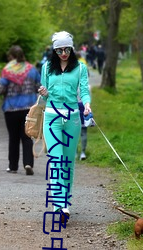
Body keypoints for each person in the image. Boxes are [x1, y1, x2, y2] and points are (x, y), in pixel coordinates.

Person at [38, 31, 91, 222]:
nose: (63, 53)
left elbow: (84, 90)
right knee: (57, 161)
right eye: (59, 50)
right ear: (54, 50)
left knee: (68, 163)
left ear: (72, 48)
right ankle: (60, 205)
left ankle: (65, 202)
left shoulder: (80, 68)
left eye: (67, 49)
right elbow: (44, 96)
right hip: (52, 117)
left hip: (73, 119)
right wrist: (43, 92)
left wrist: (86, 104)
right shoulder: (46, 68)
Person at [0, 45, 41, 175]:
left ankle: (13, 166)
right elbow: (39, 87)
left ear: (11, 57)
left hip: (11, 109)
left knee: (13, 138)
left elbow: (0, 90)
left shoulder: (7, 71)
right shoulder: (32, 70)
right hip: (28, 109)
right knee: (27, 137)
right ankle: (28, 163)